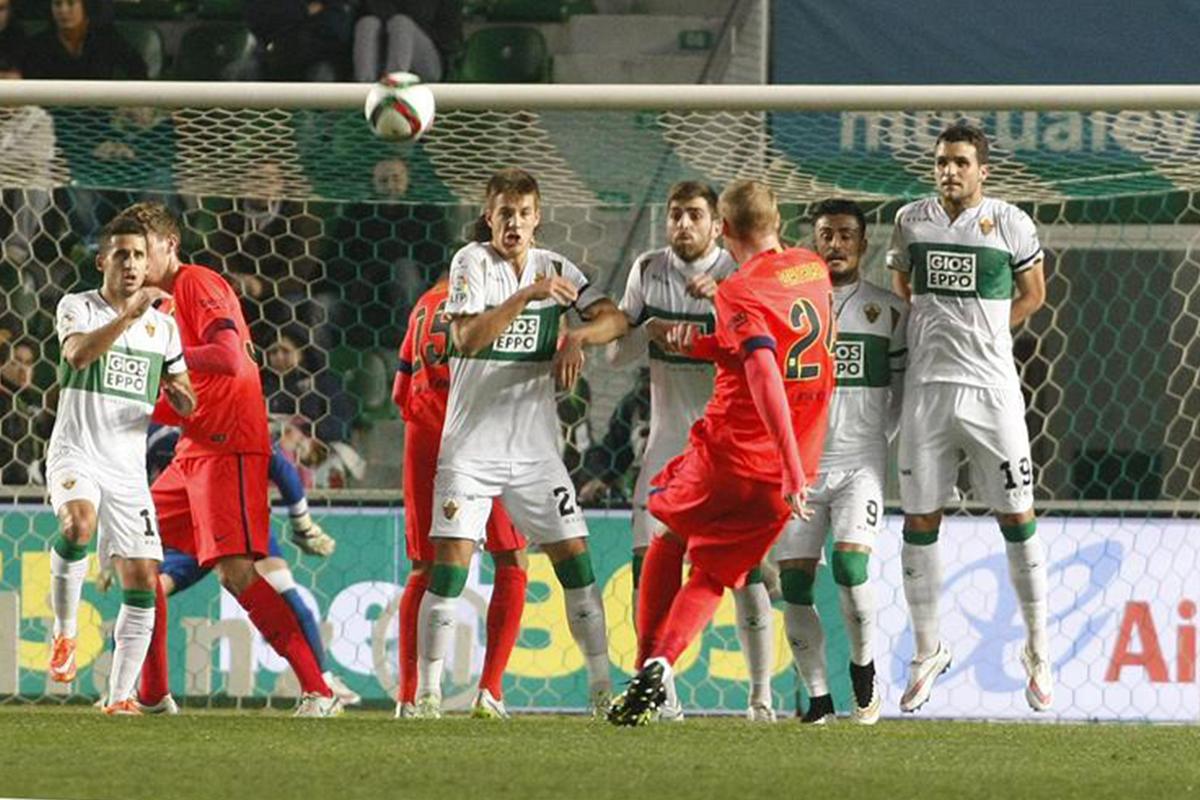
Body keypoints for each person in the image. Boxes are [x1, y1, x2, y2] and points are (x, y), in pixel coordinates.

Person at [608, 180, 835, 727]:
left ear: (723, 230)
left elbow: (761, 367)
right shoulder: (813, 268)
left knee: (667, 531)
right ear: (779, 219)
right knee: (712, 576)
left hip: (732, 454)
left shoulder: (738, 289)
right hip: (795, 467)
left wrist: (782, 458)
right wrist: (696, 341)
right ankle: (663, 663)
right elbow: (773, 347)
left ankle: (645, 667)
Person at [413, 167, 628, 717]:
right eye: (504, 212)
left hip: (534, 454)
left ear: (537, 217)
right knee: (452, 568)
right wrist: (529, 296)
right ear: (489, 215)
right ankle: (428, 694)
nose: (514, 222)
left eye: (523, 213)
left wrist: (578, 333)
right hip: (471, 450)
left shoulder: (558, 267)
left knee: (576, 561)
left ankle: (602, 689)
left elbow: (616, 319)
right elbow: (466, 336)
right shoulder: (472, 264)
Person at [118, 201, 341, 718]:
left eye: (141, 250)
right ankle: (152, 695)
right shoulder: (164, 309)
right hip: (193, 449)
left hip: (229, 447)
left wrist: (158, 362)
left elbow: (228, 357)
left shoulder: (197, 282)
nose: (132, 262)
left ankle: (318, 691)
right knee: (139, 556)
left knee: (238, 574)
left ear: (169, 246)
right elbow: (183, 393)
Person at [887, 122, 1051, 713]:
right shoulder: (910, 220)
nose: (949, 171)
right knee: (920, 520)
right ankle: (928, 650)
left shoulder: (1011, 223)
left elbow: (1035, 292)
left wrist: (985, 331)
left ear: (984, 169)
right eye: (941, 162)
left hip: (992, 393)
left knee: (1017, 516)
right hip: (927, 392)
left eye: (959, 161)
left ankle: (1037, 646)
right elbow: (902, 283)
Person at [44, 216, 196, 715]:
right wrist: (128, 316)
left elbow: (188, 399)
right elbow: (80, 356)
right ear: (102, 261)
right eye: (122, 255)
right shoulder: (78, 307)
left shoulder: (165, 328)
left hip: (127, 467)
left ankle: (121, 696)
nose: (132, 264)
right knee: (78, 522)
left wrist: (179, 394)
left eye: (138, 255)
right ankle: (64, 634)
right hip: (77, 450)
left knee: (143, 577)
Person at [774, 198, 906, 725]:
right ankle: (819, 698)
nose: (835, 244)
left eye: (845, 234)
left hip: (859, 465)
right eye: (825, 234)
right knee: (795, 586)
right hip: (800, 469)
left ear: (863, 244)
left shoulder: (890, 311)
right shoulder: (788, 308)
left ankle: (864, 666)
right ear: (812, 242)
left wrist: (876, 439)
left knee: (851, 569)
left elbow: (901, 390)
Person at [134, 429, 354, 714]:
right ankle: (141, 693)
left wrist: (303, 524)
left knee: (268, 583)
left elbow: (282, 468)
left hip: (223, 467)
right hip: (191, 467)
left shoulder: (238, 411)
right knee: (135, 558)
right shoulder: (159, 430)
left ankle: (320, 683)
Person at [393, 275, 528, 719]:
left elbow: (399, 391)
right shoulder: (498, 302)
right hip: (483, 433)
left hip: (424, 433)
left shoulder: (423, 304)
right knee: (511, 558)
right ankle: (490, 690)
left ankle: (410, 696)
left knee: (424, 566)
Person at [22, 0, 147, 79]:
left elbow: (137, 68)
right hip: (52, 117)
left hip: (99, 115)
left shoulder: (106, 38)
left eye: (71, 3)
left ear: (85, 6)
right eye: (57, 4)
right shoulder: (39, 45)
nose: (63, 10)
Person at [353, 0, 461, 83]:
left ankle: (394, 88)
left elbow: (448, 36)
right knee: (367, 23)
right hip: (380, 59)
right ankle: (363, 88)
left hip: (428, 63)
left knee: (401, 23)